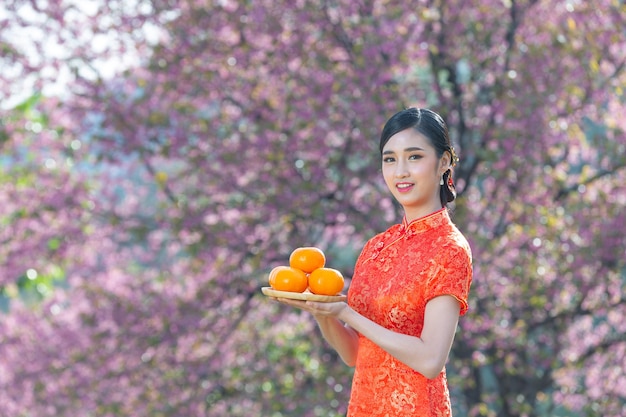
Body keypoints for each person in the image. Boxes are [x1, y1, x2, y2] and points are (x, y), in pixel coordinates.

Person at [276, 107, 473, 416]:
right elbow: (354, 353)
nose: (400, 171)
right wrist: (322, 312)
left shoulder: (449, 249)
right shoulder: (376, 247)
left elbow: (431, 360)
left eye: (415, 157)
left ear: (444, 162)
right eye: (390, 159)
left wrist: (345, 312)